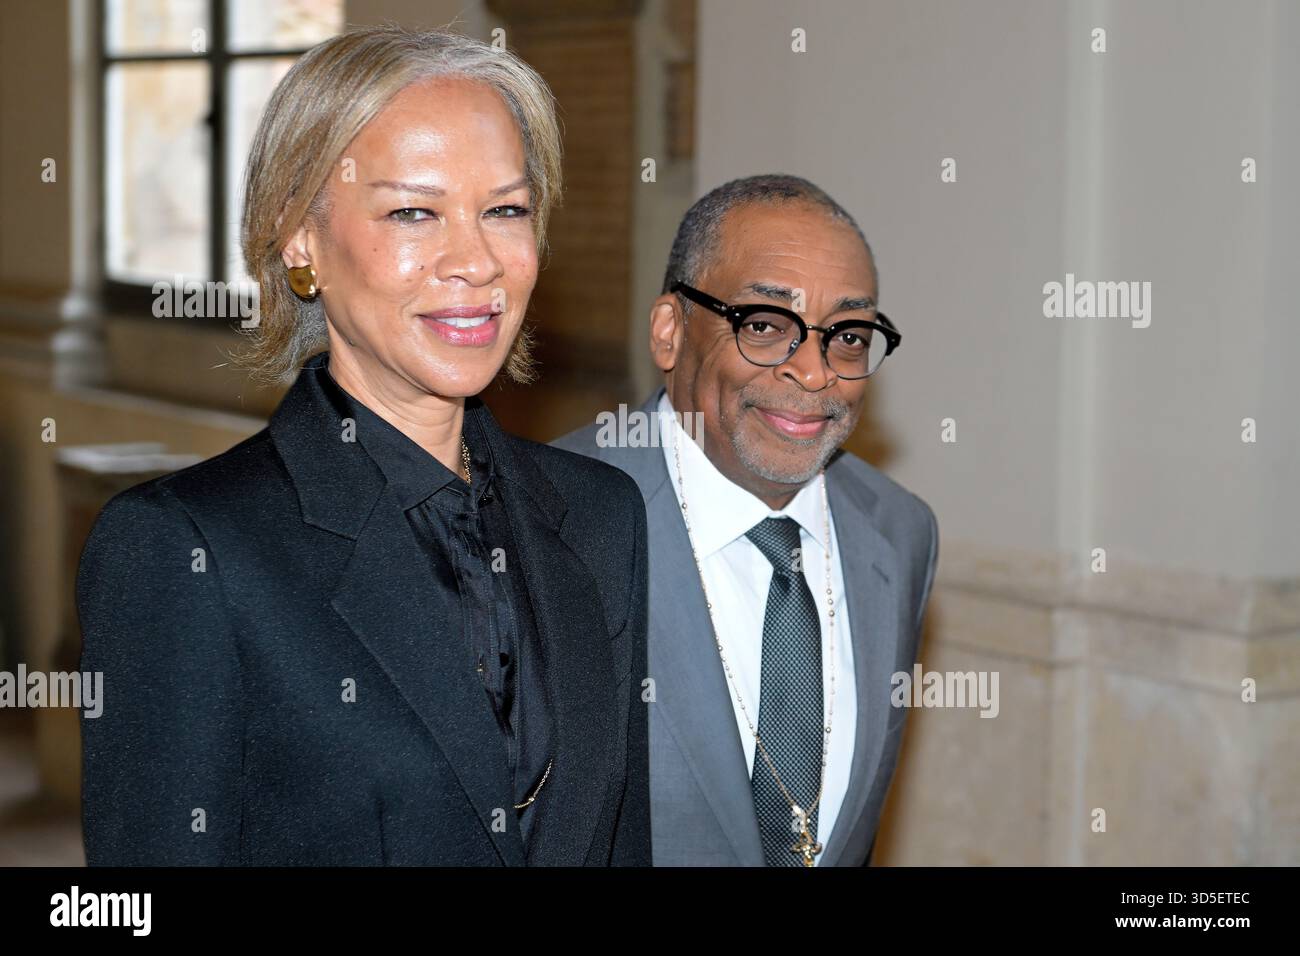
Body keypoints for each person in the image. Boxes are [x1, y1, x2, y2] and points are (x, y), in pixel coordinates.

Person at [77, 26, 649, 866]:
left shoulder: (601, 517)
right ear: (300, 239)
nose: (476, 260)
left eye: (505, 209)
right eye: (413, 211)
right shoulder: (184, 552)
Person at [556, 174, 937, 867]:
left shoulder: (901, 533)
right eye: (764, 326)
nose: (815, 372)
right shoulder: (548, 519)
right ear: (669, 331)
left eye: (848, 336)